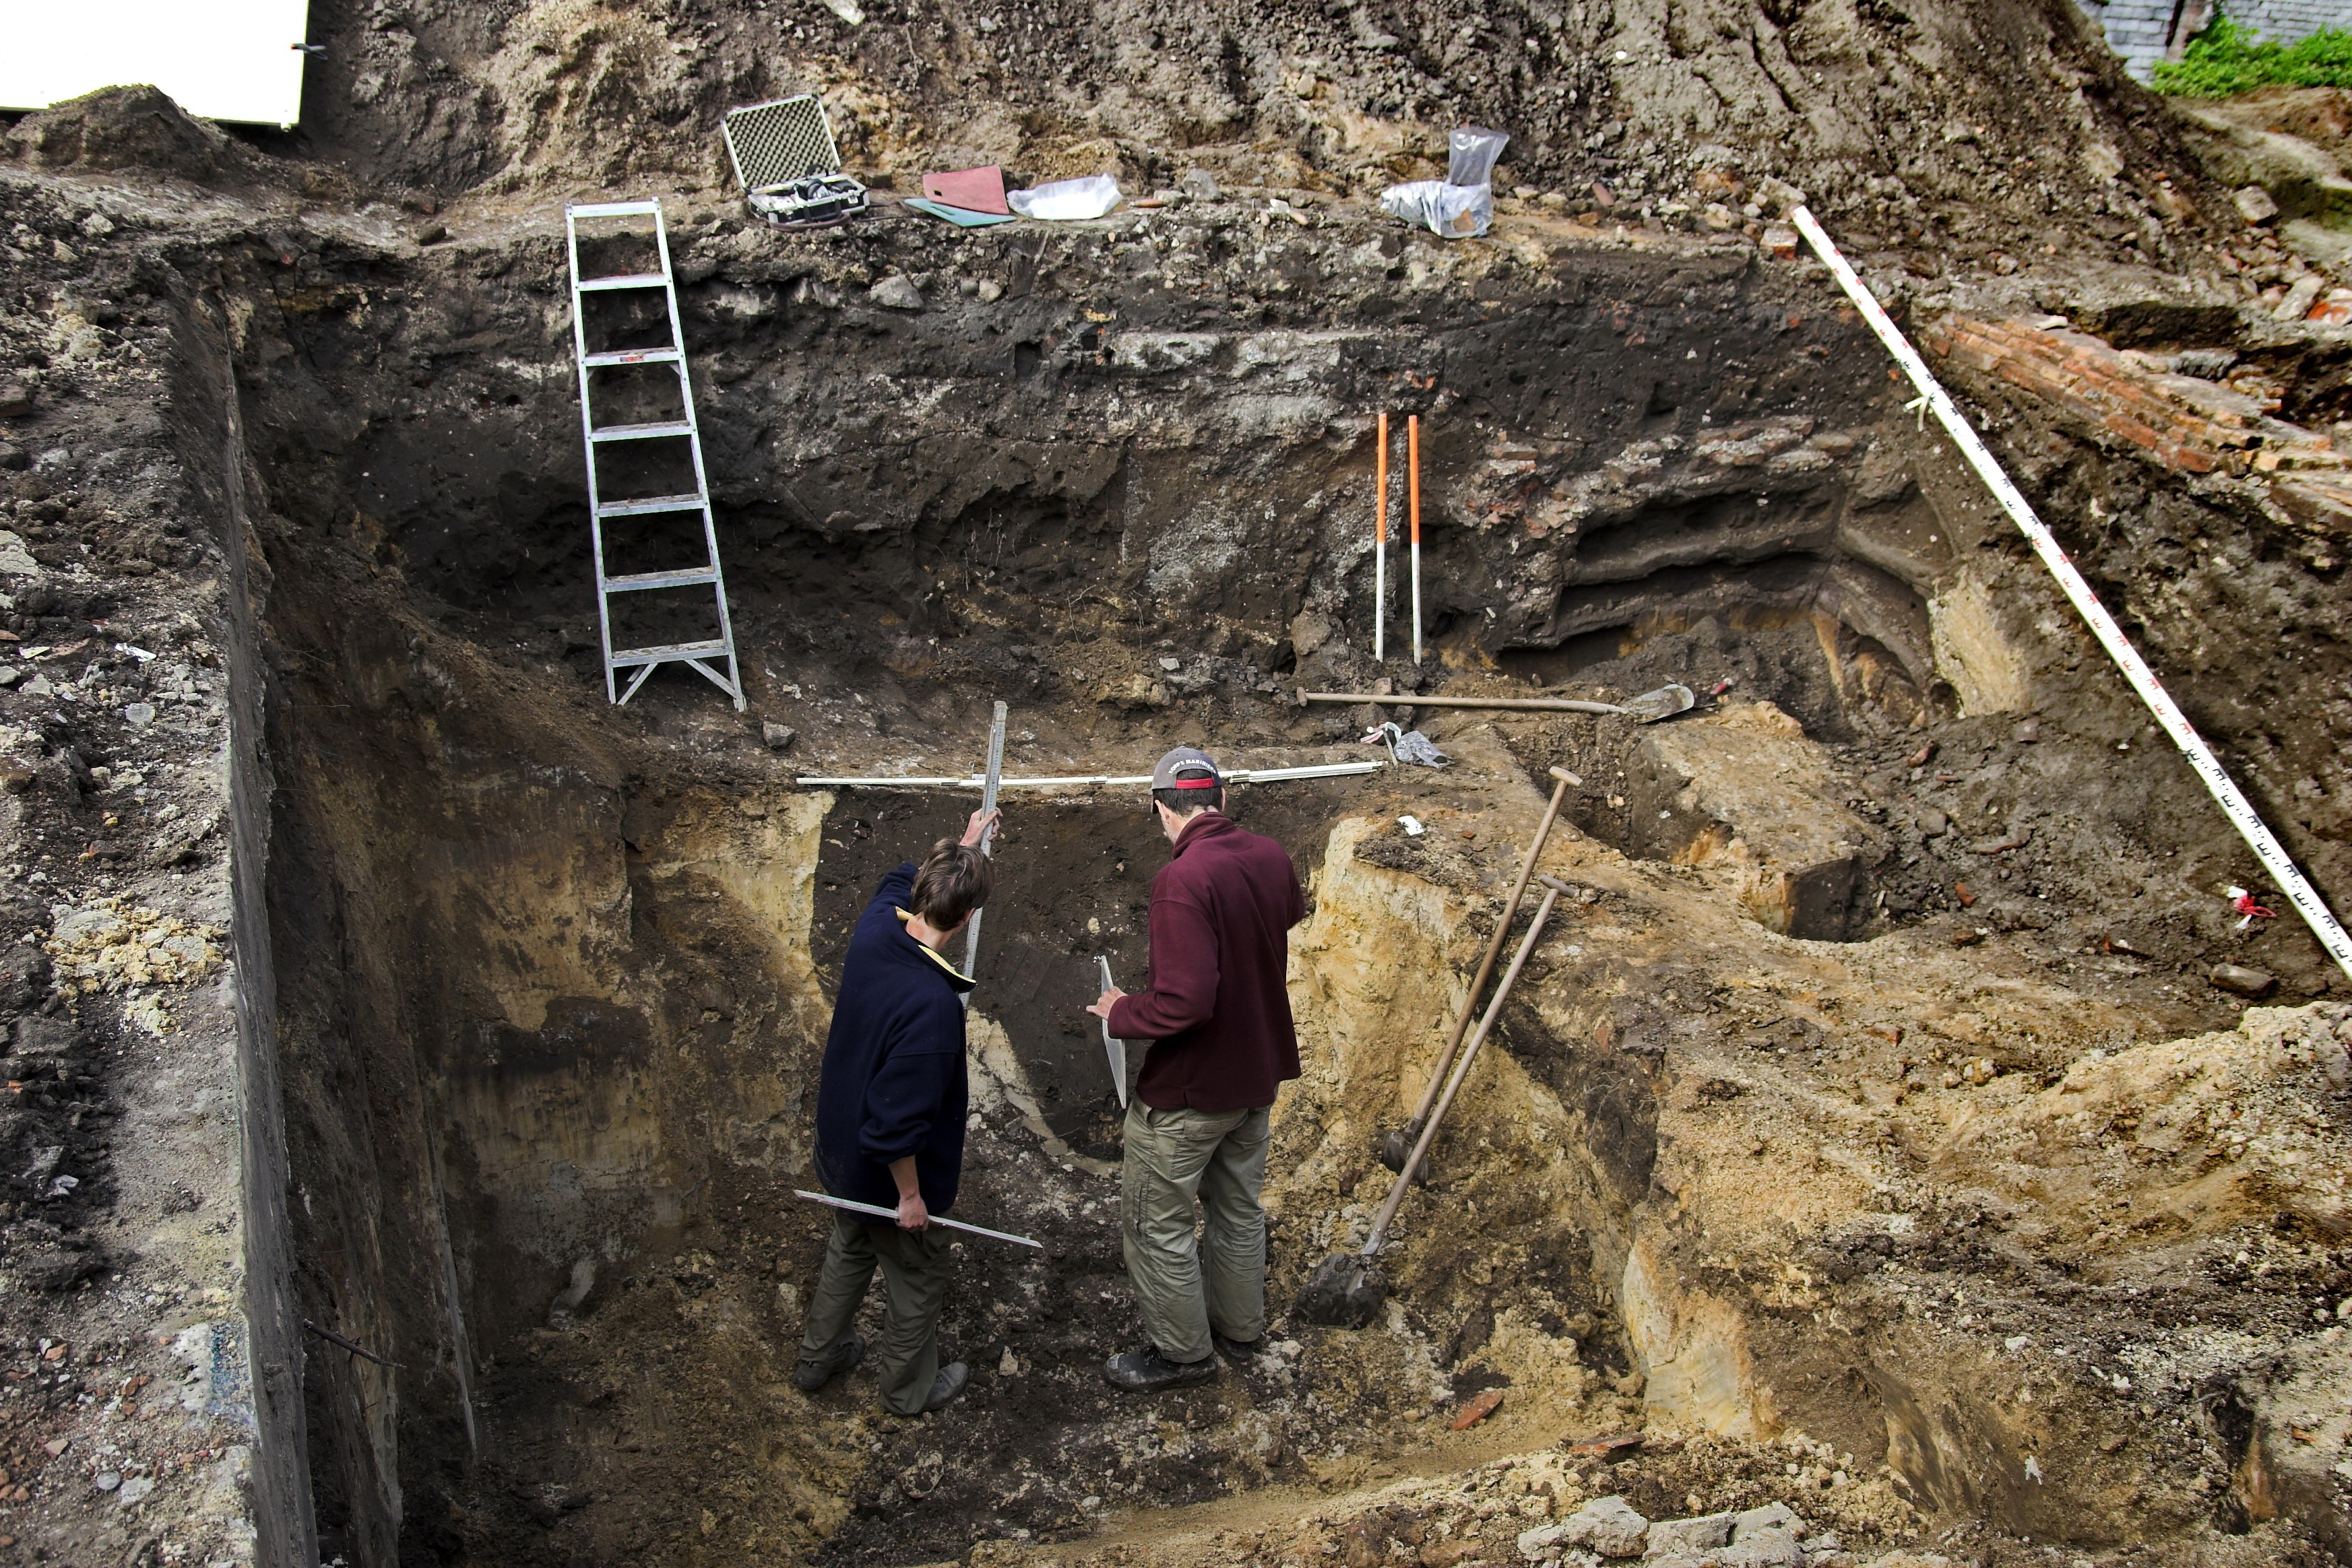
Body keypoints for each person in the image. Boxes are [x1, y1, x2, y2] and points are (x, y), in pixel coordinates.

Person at [1087, 747, 1307, 1392]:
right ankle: (1241, 1332)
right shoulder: (1269, 857)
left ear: (1161, 807)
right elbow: (1279, 919)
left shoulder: (1180, 881)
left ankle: (1182, 1355)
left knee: (1157, 1222)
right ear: (1221, 799)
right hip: (1255, 1075)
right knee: (1237, 1209)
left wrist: (1121, 1010)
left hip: (1190, 1094)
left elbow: (1186, 1001)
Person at [796, 807, 998, 1416]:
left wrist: (960, 847)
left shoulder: (877, 929)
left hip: (842, 1158)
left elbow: (896, 879)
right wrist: (910, 1198)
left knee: (851, 1244)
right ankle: (907, 1391)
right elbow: (896, 1127)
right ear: (967, 918)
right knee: (916, 1276)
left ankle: (817, 1357)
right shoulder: (932, 1008)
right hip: (885, 1174)